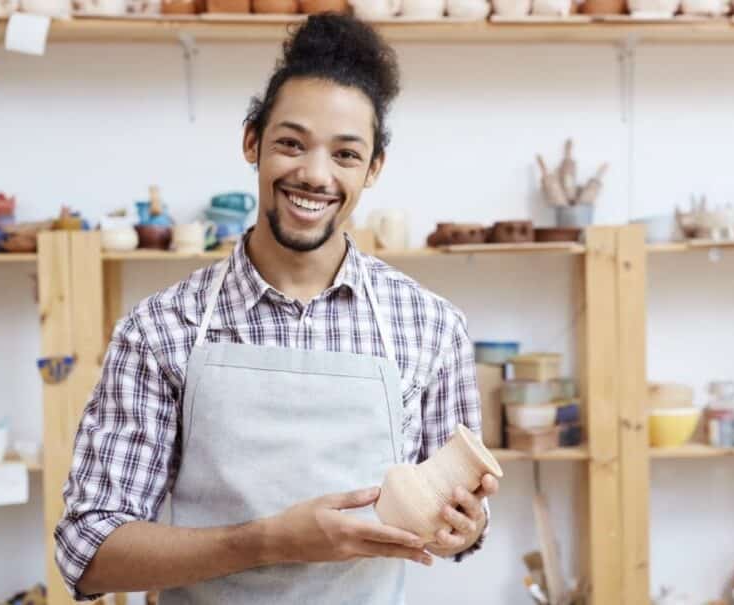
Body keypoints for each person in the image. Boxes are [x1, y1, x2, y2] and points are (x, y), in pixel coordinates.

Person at [54, 14, 498, 604]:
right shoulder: (161, 328)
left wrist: (465, 528)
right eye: (291, 143)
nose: (314, 175)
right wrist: (268, 541)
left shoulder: (431, 327)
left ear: (373, 169)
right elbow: (87, 553)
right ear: (251, 142)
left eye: (345, 155)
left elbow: (455, 522)